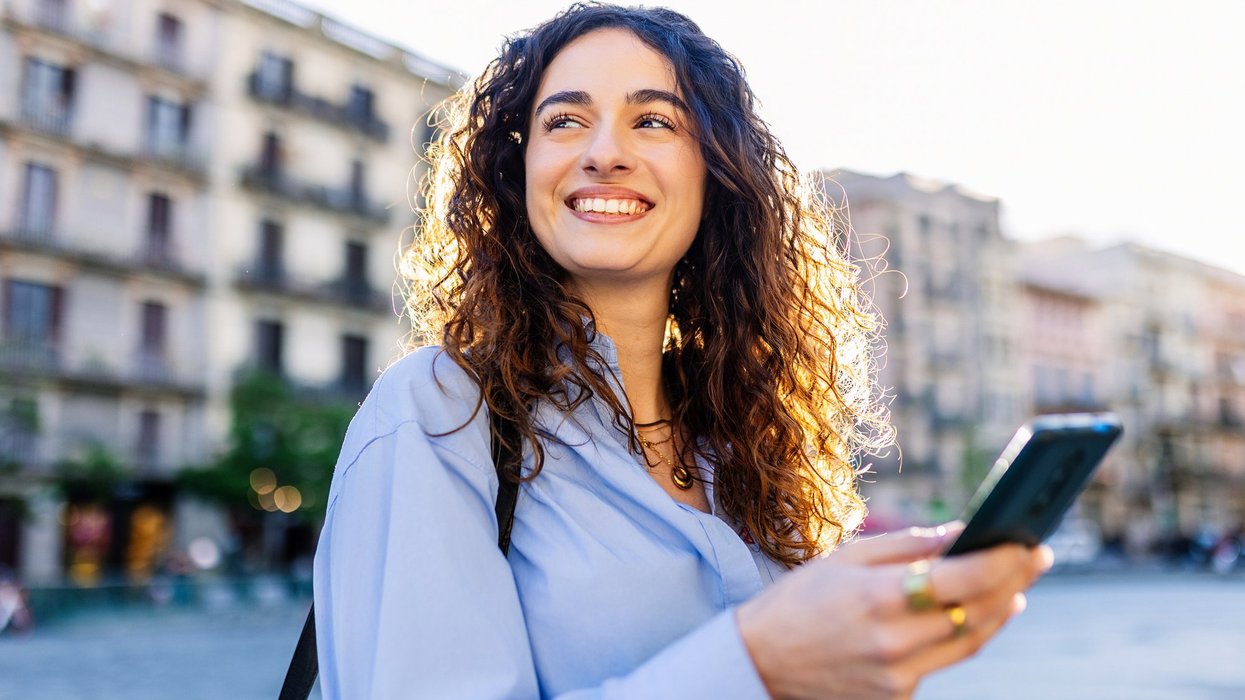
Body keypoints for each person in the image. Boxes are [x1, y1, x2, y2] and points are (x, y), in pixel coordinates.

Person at [313, 4, 1051, 698]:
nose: (605, 153)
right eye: (565, 120)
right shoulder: (438, 410)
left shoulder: (745, 445)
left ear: (715, 173)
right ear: (517, 172)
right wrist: (758, 657)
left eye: (653, 121)